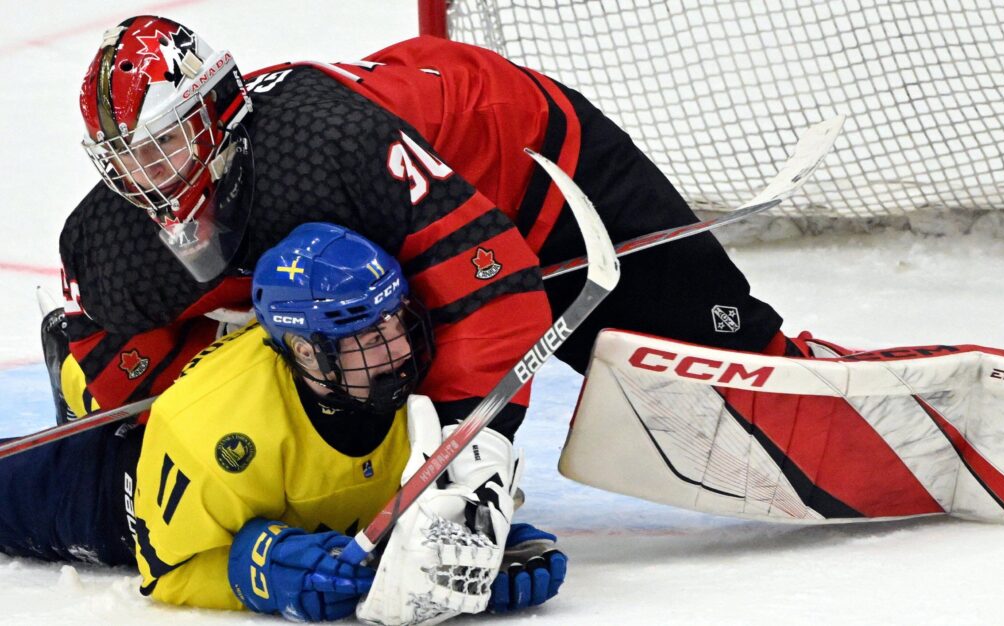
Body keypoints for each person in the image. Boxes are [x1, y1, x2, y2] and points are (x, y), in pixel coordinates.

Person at [51, 15, 791, 443]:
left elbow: (492, 292)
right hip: (387, 188)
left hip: (517, 147)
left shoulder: (331, 150)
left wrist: (469, 458)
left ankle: (783, 362)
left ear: (215, 112)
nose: (147, 177)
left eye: (164, 144)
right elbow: (104, 333)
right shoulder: (115, 230)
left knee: (722, 361)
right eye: (125, 158)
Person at [3, 224, 567, 622]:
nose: (397, 349)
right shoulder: (211, 426)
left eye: (395, 322)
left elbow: (458, 501)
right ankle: (79, 375)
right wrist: (254, 572)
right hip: (126, 485)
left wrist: (486, 544)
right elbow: (166, 569)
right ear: (304, 349)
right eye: (368, 339)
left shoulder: (430, 383)